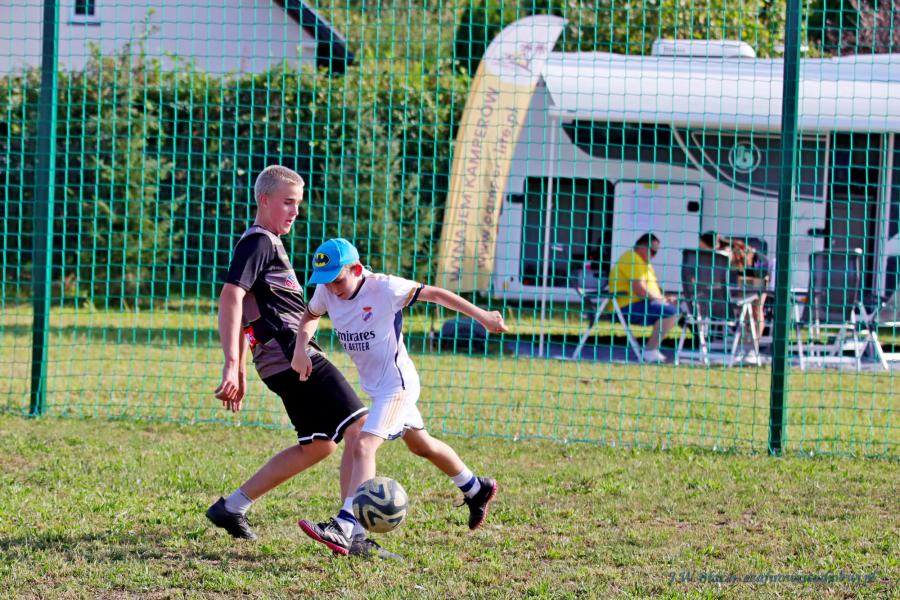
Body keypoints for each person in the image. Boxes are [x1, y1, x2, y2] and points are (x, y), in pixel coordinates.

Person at [206, 166, 394, 559]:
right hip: (294, 355)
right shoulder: (259, 241)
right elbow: (231, 297)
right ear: (264, 200)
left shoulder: (266, 242)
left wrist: (241, 368)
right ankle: (352, 531)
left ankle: (232, 507)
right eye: (288, 202)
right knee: (360, 429)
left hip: (279, 361)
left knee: (319, 446)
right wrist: (230, 363)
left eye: (298, 204)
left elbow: (248, 308)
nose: (295, 211)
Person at [292, 238, 507, 556]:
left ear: (357, 269)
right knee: (422, 445)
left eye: (338, 280)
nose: (332, 289)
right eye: (325, 282)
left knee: (363, 444)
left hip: (398, 386)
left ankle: (347, 526)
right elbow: (310, 315)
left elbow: (436, 294)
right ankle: (476, 487)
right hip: (378, 388)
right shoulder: (326, 290)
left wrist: (483, 316)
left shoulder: (385, 288)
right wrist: (301, 348)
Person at [607, 233, 679, 363]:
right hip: (625, 307)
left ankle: (657, 350)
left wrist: (664, 298)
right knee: (670, 312)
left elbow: (650, 289)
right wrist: (661, 300)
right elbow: (640, 290)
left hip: (640, 304)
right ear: (642, 247)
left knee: (676, 309)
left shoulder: (643, 262)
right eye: (653, 252)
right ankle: (650, 350)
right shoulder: (632, 259)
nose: (654, 256)